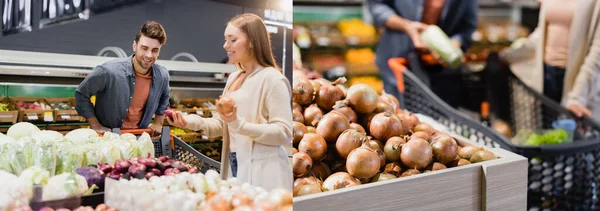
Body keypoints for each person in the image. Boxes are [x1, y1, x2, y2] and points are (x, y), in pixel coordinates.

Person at [167, 13, 293, 191]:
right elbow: (222, 124)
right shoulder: (234, 78)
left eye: (232, 40)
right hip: (234, 161)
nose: (225, 45)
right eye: (226, 39)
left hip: (264, 170)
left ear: (252, 41)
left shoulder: (273, 80)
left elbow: (283, 133)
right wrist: (188, 121)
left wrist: (239, 125)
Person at [500, 0, 600, 121]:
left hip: (577, 81)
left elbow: (597, 53)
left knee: (571, 133)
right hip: (546, 74)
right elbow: (541, 36)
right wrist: (506, 56)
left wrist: (578, 96)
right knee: (547, 129)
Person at [367, 0, 478, 105]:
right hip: (397, 62)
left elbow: (467, 24)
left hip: (441, 72)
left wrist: (455, 43)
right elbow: (376, 6)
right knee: (397, 113)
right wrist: (406, 26)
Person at [75, 21, 171, 135]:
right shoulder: (109, 71)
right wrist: (95, 124)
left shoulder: (162, 75)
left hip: (138, 138)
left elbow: (164, 98)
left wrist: (158, 122)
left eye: (155, 50)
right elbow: (81, 93)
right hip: (108, 138)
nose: (149, 55)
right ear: (135, 46)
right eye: (144, 48)